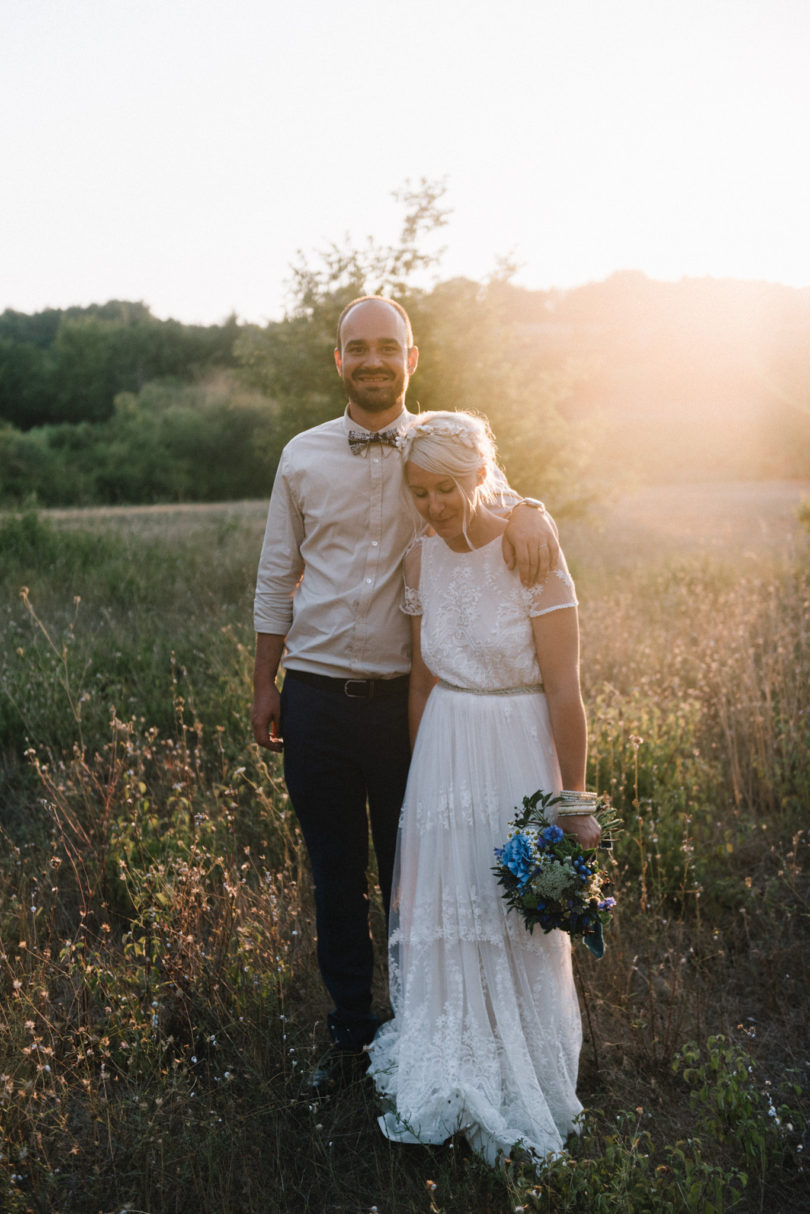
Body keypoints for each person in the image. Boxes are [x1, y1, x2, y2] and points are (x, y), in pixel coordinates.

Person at [252, 297, 561, 1094]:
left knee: (417, 875)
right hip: (315, 694)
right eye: (359, 348)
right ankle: (352, 1030)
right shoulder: (300, 456)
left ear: (411, 359)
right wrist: (265, 680)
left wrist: (532, 508)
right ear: (340, 361)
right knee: (333, 873)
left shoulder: (432, 447)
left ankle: (426, 1026)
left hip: (404, 702)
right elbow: (276, 575)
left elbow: (490, 492)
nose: (374, 360)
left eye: (388, 347)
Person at [367, 410, 600, 1166]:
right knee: (449, 911)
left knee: (519, 915)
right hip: (443, 753)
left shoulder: (531, 545)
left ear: (479, 477)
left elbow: (566, 689)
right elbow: (421, 678)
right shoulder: (421, 558)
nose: (434, 506)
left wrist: (575, 801)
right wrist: (415, 790)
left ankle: (524, 1064)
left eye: (448, 489)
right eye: (420, 491)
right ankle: (454, 1057)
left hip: (516, 746)